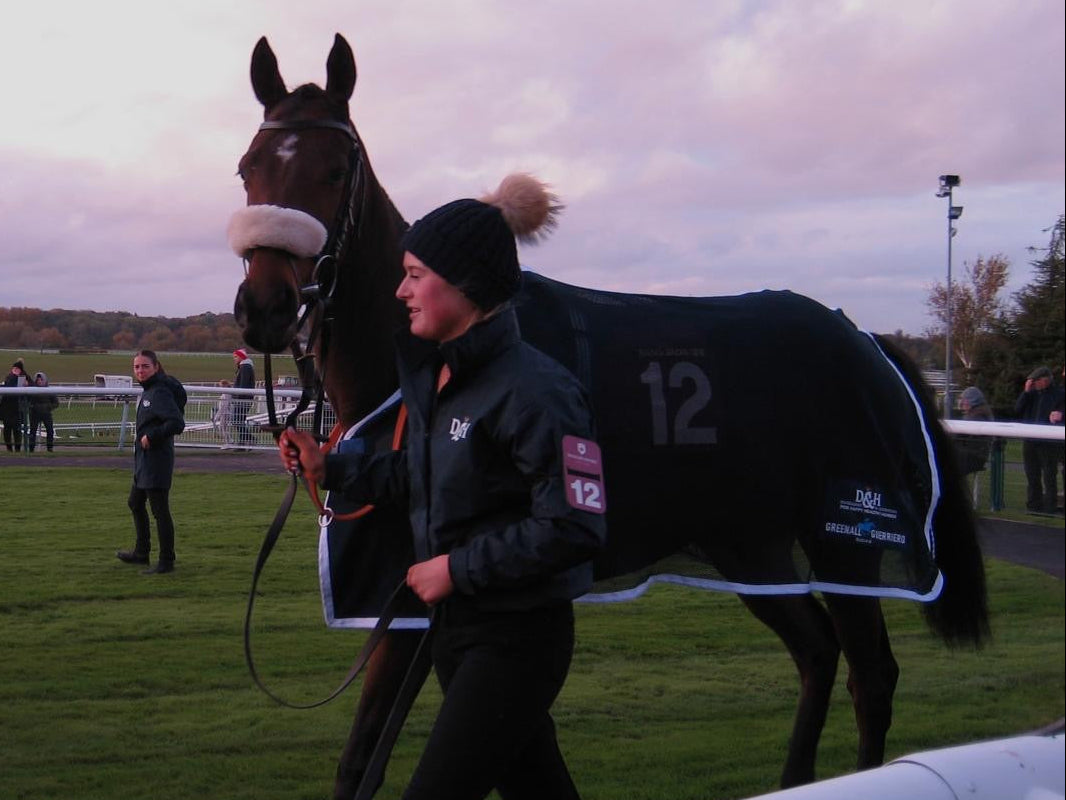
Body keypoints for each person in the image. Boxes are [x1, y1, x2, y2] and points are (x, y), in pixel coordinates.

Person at [280, 174, 607, 800]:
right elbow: (423, 476)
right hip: (456, 633)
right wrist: (332, 468)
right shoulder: (443, 380)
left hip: (516, 641)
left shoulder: (540, 391)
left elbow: (575, 525)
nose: (400, 291)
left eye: (414, 275)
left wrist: (455, 568)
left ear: (465, 283)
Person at [116, 350, 185, 575]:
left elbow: (176, 423)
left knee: (160, 511)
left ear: (156, 367)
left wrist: (152, 436)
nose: (140, 371)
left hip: (157, 460)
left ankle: (166, 561)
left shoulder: (159, 392)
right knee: (135, 502)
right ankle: (141, 553)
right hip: (144, 460)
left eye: (145, 366)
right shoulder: (149, 391)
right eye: (136, 367)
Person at [1014, 365, 1066, 514]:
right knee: (1032, 475)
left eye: (1036, 381)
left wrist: (1060, 415)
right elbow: (1017, 410)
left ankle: (1050, 507)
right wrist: (1025, 392)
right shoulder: (1031, 394)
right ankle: (1033, 506)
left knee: (1049, 476)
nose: (1034, 384)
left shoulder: (1059, 394)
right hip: (1030, 441)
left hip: (1048, 442)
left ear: (1045, 380)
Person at [956, 385, 994, 476]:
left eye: (964, 400)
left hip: (974, 457)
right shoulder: (978, 414)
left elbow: (960, 434)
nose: (962, 404)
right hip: (975, 455)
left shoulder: (976, 416)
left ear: (972, 401)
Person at [1, 359, 29, 452]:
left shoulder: (23, 377)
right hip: (7, 409)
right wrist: (14, 375)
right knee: (7, 430)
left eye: (17, 368)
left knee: (17, 431)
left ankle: (17, 450)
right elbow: (8, 386)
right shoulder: (10, 377)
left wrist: (26, 383)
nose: (15, 370)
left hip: (17, 409)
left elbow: (31, 383)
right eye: (14, 368)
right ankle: (9, 449)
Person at [28, 372, 59, 453]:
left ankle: (49, 448)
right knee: (32, 432)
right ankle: (31, 449)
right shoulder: (32, 390)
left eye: (41, 380)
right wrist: (33, 407)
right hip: (35, 414)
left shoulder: (49, 390)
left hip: (46, 414)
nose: (39, 381)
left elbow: (56, 403)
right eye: (38, 380)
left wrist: (48, 407)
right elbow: (28, 402)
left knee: (50, 431)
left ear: (44, 380)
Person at [232, 348, 256, 447]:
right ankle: (244, 441)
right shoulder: (244, 367)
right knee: (238, 420)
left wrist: (237, 398)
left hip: (242, 400)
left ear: (241, 357)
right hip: (243, 399)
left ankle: (248, 439)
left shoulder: (245, 368)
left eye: (235, 357)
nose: (234, 359)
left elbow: (243, 385)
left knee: (236, 420)